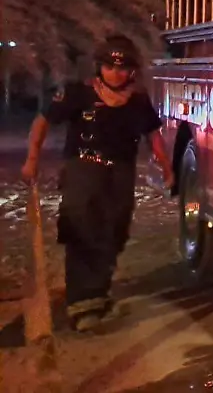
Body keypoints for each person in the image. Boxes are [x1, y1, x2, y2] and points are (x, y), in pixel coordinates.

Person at [20, 34, 173, 332]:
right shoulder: (78, 94)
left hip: (120, 173)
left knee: (113, 233)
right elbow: (42, 121)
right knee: (82, 230)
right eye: (109, 67)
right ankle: (82, 303)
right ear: (99, 67)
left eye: (122, 68)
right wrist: (32, 159)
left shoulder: (138, 102)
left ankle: (99, 293)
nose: (115, 73)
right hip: (83, 170)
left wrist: (166, 166)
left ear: (131, 71)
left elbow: (153, 135)